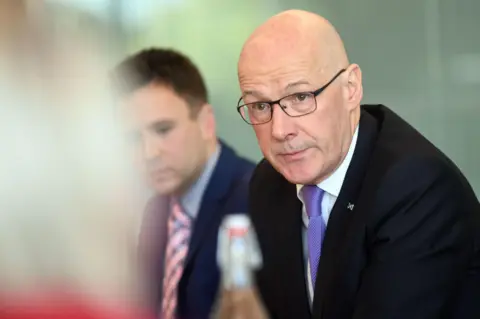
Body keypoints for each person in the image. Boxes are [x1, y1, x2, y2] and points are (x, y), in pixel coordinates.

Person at [236, 9, 480, 319]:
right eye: (259, 106)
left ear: (351, 88)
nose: (280, 130)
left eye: (300, 97)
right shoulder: (268, 183)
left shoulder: (416, 187)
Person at [113, 48, 255, 319]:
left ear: (206, 123)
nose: (149, 153)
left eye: (163, 130)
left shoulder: (256, 199)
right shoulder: (156, 210)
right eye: (132, 139)